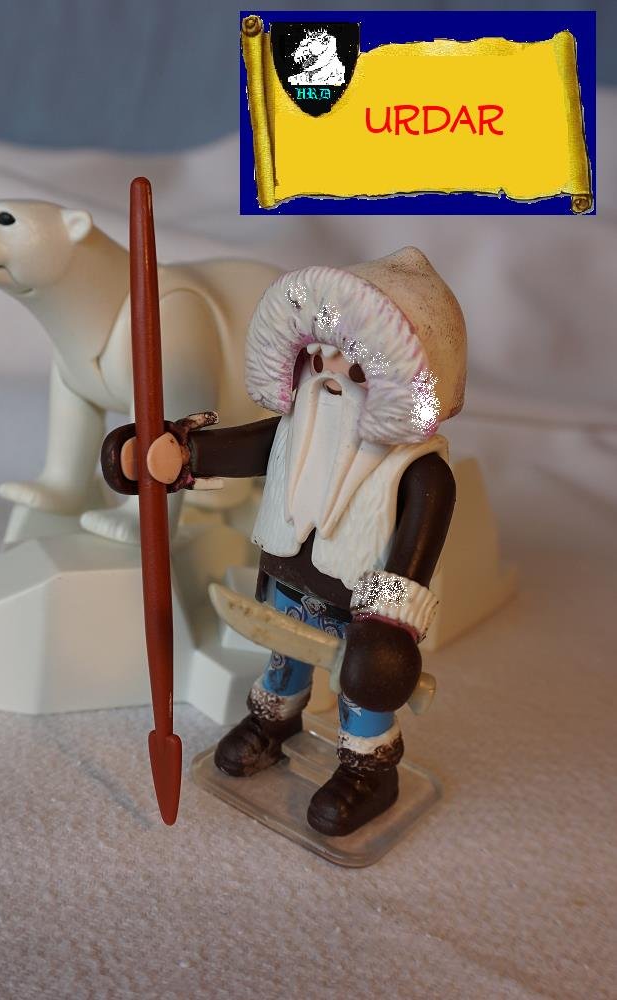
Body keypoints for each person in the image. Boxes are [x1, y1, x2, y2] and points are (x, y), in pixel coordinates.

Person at [102, 248, 467, 836]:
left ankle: (369, 768)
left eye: (355, 367)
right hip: (290, 581)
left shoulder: (421, 473)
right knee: (283, 660)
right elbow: (242, 448)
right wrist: (178, 455)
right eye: (317, 357)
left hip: (359, 611)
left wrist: (386, 631)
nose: (329, 375)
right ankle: (274, 721)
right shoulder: (296, 428)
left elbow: (412, 559)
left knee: (361, 694)